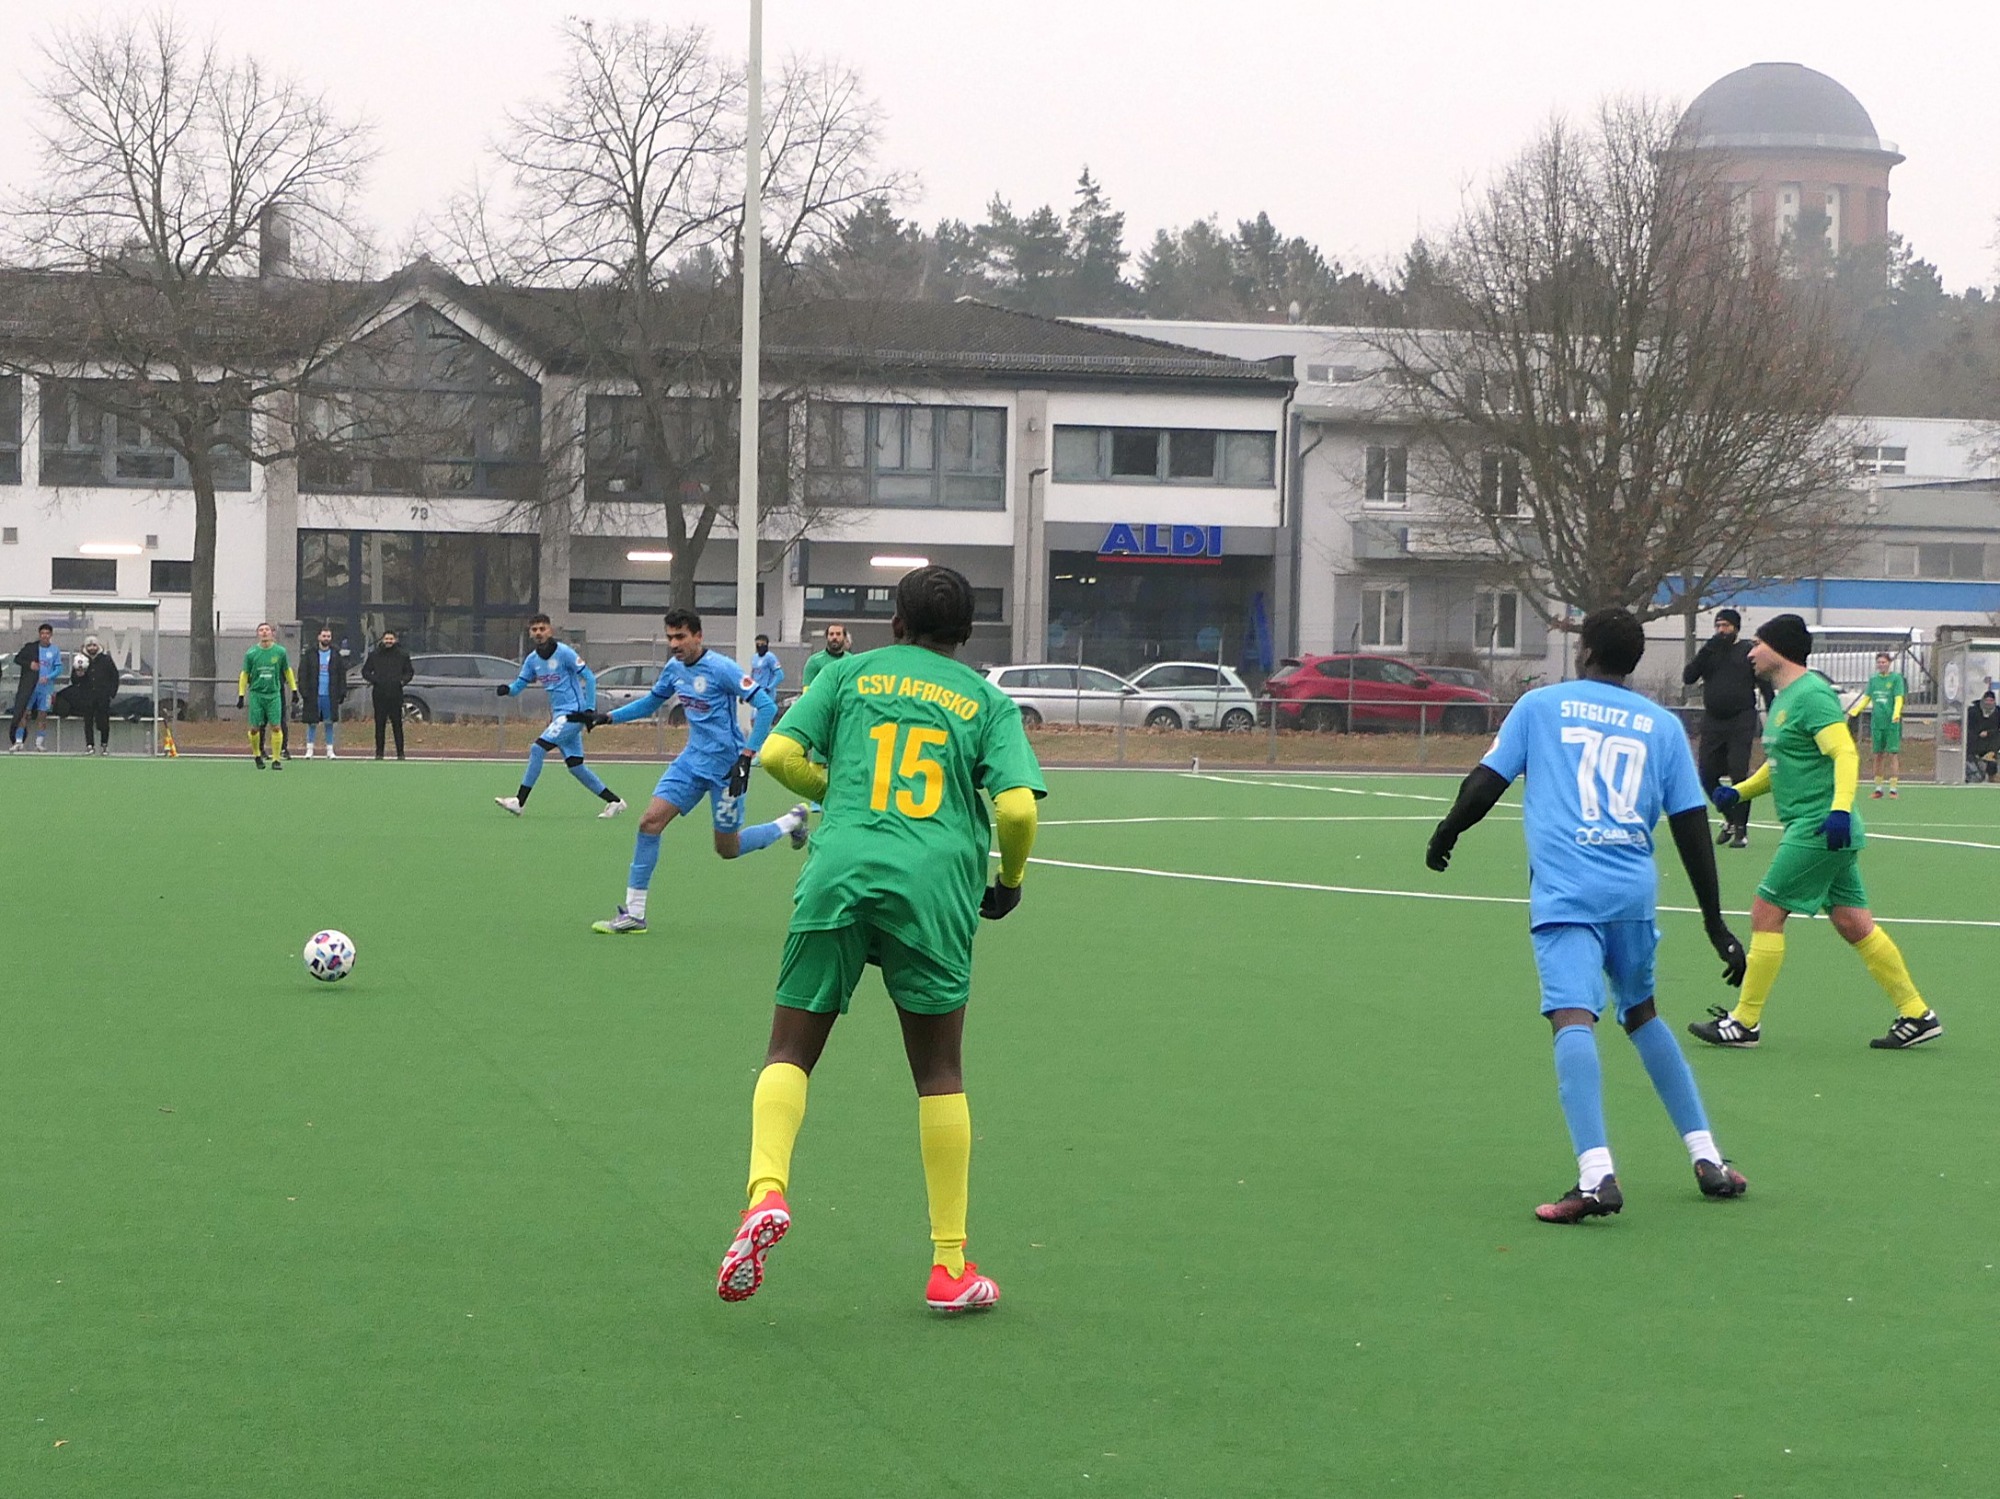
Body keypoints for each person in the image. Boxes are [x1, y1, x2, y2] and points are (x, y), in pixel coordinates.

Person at [714, 566, 1045, 1310]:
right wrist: (1011, 879)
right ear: (966, 635)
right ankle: (949, 1266)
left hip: (840, 871)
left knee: (788, 1051)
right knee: (939, 1071)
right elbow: (1018, 810)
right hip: (933, 885)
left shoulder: (847, 672)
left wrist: (840, 793)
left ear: (895, 623)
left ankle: (765, 1191)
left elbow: (778, 755)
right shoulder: (989, 701)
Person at [1425, 607, 1750, 1224]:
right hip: (1631, 895)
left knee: (1573, 1016)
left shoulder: (1541, 706)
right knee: (1642, 1014)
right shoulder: (1660, 725)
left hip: (1567, 893)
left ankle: (1597, 1176)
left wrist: (1448, 830)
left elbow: (1487, 782)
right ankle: (1707, 1157)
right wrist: (1714, 922)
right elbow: (1691, 826)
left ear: (1586, 652)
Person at [1691, 614, 1942, 1051]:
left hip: (1819, 826)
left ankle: (1745, 1022)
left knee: (1766, 911)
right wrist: (1741, 792)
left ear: (1780, 649)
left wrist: (1839, 810)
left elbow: (1844, 753)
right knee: (1852, 922)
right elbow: (1782, 763)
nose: (1751, 653)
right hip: (1823, 828)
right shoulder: (1784, 699)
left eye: (1758, 643)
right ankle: (1917, 1014)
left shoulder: (1812, 695)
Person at [569, 607, 808, 934]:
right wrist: (608, 717)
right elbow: (651, 702)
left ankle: (791, 821)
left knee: (728, 848)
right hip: (691, 762)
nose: (674, 644)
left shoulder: (722, 668)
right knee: (649, 822)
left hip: (727, 769)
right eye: (670, 637)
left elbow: (766, 706)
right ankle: (635, 914)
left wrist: (747, 756)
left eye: (680, 637)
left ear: (698, 636)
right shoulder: (674, 669)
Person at [493, 613, 626, 818]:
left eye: (542, 628)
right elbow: (519, 685)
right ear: (530, 633)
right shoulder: (532, 660)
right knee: (576, 767)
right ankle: (615, 801)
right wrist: (508, 690)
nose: (539, 633)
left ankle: (519, 801)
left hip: (574, 714)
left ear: (550, 631)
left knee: (537, 748)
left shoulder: (564, 653)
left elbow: (589, 678)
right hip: (559, 716)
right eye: (534, 629)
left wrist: (589, 710)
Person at [1681, 608, 1767, 849]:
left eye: (1726, 626)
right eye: (1718, 626)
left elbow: (1765, 686)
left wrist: (1772, 714)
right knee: (1706, 775)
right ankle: (1730, 817)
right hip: (1713, 721)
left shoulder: (1747, 651)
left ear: (1736, 628)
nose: (1721, 630)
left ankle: (1741, 830)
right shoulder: (1710, 652)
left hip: (1741, 719)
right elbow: (1688, 677)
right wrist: (1707, 650)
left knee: (1739, 774)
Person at [1847, 652, 1907, 799]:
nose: (1881, 665)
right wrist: (1855, 710)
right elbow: (1867, 698)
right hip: (1877, 723)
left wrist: (1896, 713)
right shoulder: (1874, 680)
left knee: (1892, 755)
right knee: (1877, 755)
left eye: (1883, 662)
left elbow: (1898, 698)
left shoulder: (1896, 679)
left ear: (1889, 663)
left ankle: (1893, 789)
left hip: (1891, 723)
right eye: (1879, 662)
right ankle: (1878, 788)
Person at [238, 623, 296, 770]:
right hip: (257, 694)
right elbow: (244, 674)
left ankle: (276, 760)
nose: (264, 632)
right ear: (258, 633)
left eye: (267, 630)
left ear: (272, 633)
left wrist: (294, 689)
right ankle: (257, 754)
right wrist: (241, 694)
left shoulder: (280, 652)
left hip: (274, 694)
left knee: (276, 727)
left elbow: (287, 670)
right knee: (254, 729)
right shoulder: (251, 653)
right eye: (261, 630)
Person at [362, 630, 414, 760]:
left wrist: (402, 682)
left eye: (391, 639)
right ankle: (379, 753)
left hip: (396, 694)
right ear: (382, 640)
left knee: (397, 724)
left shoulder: (402, 655)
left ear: (395, 640)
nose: (388, 641)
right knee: (380, 724)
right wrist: (375, 680)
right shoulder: (375, 655)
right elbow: (365, 671)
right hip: (379, 694)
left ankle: (400, 753)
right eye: (386, 639)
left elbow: (409, 672)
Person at [10, 623, 63, 752]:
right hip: (31, 688)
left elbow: (59, 669)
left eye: (47, 633)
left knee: (42, 715)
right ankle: (18, 741)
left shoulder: (55, 650)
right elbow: (17, 659)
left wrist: (48, 677)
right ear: (39, 635)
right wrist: (30, 664)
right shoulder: (32, 648)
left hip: (46, 689)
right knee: (24, 712)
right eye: (42, 633)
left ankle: (39, 743)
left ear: (51, 635)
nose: (45, 636)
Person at [299, 627, 350, 759]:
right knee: (312, 722)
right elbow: (302, 673)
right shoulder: (310, 654)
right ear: (319, 637)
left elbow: (341, 675)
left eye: (328, 636)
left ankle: (330, 750)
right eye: (324, 636)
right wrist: (303, 691)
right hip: (313, 694)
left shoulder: (336, 655)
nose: (326, 638)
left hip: (330, 694)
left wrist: (342, 692)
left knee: (329, 722)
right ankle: (309, 749)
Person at [75, 636, 120, 755]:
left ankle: (104, 745)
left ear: (98, 646)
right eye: (89, 646)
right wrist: (79, 675)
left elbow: (115, 677)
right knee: (88, 722)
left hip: (103, 697)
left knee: (104, 722)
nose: (92, 648)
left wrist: (111, 693)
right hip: (87, 697)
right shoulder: (80, 660)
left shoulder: (106, 660)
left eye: (94, 645)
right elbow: (74, 680)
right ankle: (89, 745)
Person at [801, 623, 852, 688]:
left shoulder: (851, 660)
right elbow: (807, 689)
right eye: (831, 634)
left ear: (844, 637)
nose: (834, 637)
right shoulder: (814, 661)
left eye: (838, 634)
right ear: (827, 637)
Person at [1966, 690, 1999, 783]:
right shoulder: (1973, 711)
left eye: (1991, 700)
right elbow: (1969, 727)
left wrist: (1988, 733)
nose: (1989, 703)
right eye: (1987, 700)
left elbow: (1997, 730)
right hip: (1974, 742)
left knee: (1992, 760)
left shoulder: (1998, 712)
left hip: (1991, 743)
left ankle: (1992, 777)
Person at [749, 634, 784, 699]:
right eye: (758, 644)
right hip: (756, 692)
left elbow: (780, 675)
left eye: (762, 644)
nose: (760, 646)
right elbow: (753, 674)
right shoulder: (754, 657)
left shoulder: (770, 657)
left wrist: (769, 688)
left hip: (767, 693)